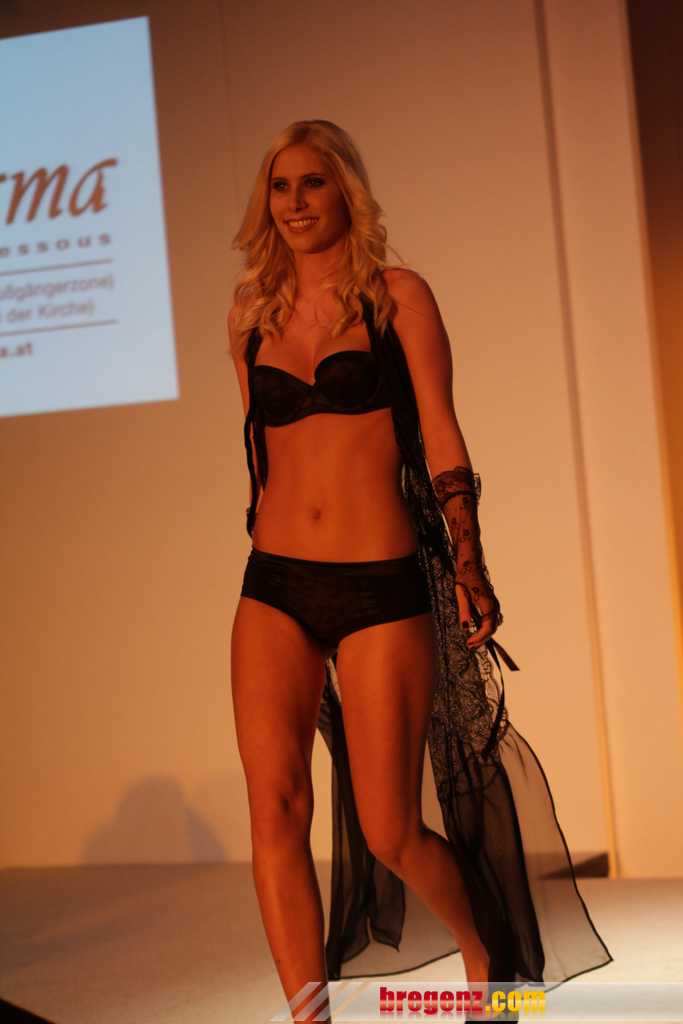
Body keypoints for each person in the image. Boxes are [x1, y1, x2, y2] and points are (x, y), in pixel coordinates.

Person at [229, 120, 611, 1021]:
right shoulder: (250, 313)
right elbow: (260, 455)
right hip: (274, 583)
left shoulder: (396, 297)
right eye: (280, 186)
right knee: (274, 810)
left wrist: (470, 562)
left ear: (345, 191)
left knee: (391, 830)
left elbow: (440, 431)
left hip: (378, 583)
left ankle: (488, 957)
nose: (294, 203)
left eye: (313, 183)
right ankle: (308, 1016)